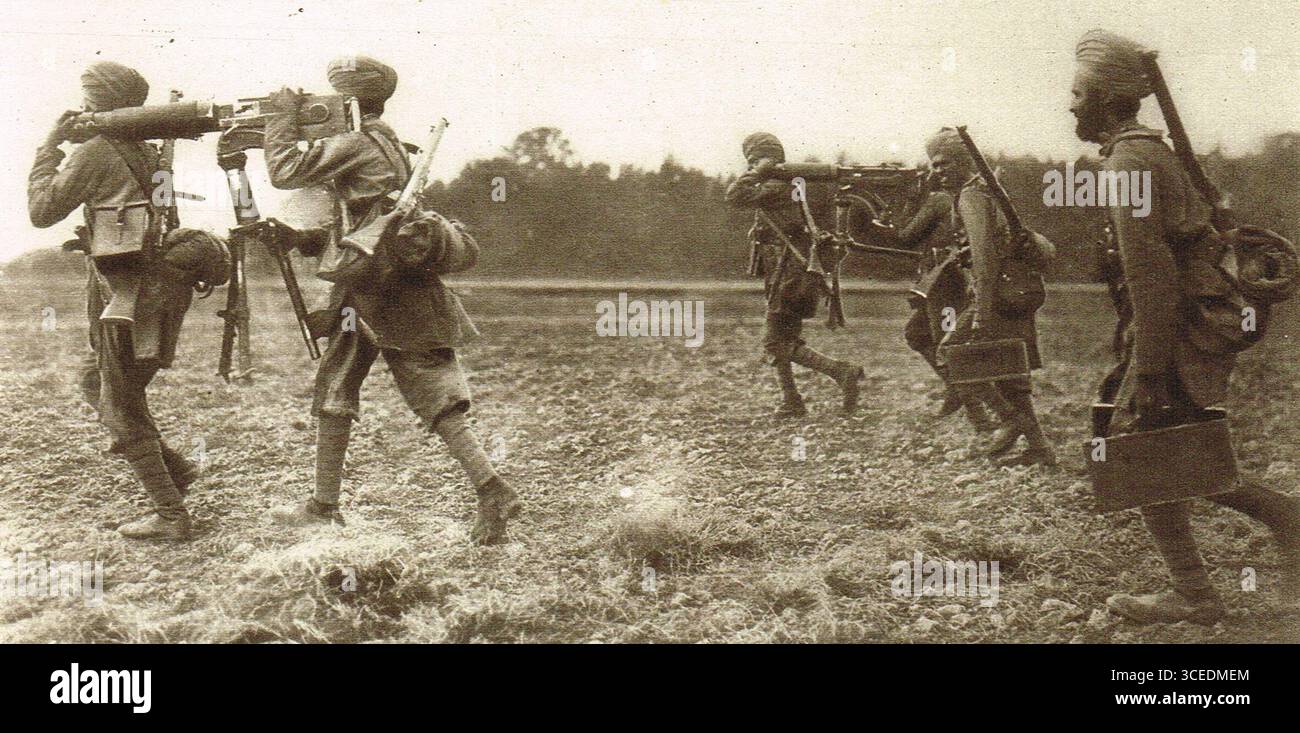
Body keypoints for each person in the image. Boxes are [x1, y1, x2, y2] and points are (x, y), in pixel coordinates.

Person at [1070, 29, 1300, 622]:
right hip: (1182, 329)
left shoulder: (1129, 162)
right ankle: (1272, 532)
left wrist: (1147, 370)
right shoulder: (1149, 153)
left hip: (1175, 334)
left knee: (1140, 447)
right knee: (1161, 449)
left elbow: (1153, 281)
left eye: (1076, 91)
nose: (1069, 104)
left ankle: (1201, 592)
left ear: (1103, 95)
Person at [261, 55, 521, 545]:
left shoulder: (359, 143)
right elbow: (358, 216)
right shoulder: (387, 143)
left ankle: (493, 489)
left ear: (348, 101)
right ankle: (324, 504)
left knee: (430, 393)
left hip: (384, 288)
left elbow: (284, 169)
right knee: (337, 388)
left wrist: (280, 117)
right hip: (368, 283)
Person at [28, 62, 227, 540]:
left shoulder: (97, 151)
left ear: (99, 104)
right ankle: (175, 469)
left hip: (128, 291)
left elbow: (41, 212)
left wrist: (50, 146)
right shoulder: (147, 151)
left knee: (116, 398)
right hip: (158, 286)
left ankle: (172, 515)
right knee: (99, 380)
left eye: (86, 100)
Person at [927, 128, 1057, 466]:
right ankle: (1040, 449)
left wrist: (982, 314)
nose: (936, 171)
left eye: (943, 164)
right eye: (934, 165)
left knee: (949, 354)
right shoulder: (986, 192)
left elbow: (985, 258)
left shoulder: (971, 197)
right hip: (1013, 291)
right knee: (1011, 371)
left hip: (996, 295)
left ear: (963, 163)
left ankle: (1009, 418)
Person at [724, 132, 864, 418]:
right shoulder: (784, 185)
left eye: (753, 159)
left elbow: (735, 195)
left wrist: (756, 172)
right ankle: (792, 400)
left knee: (775, 341)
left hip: (790, 274)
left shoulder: (776, 186)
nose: (751, 164)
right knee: (783, 339)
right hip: (786, 272)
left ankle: (841, 372)